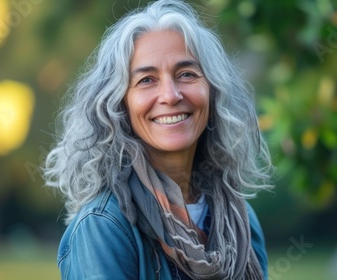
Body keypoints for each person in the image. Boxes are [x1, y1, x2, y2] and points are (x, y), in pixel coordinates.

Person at [44, 0, 273, 279]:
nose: (170, 95)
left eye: (186, 74)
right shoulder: (104, 227)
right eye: (146, 80)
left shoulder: (241, 221)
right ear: (118, 104)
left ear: (213, 92)